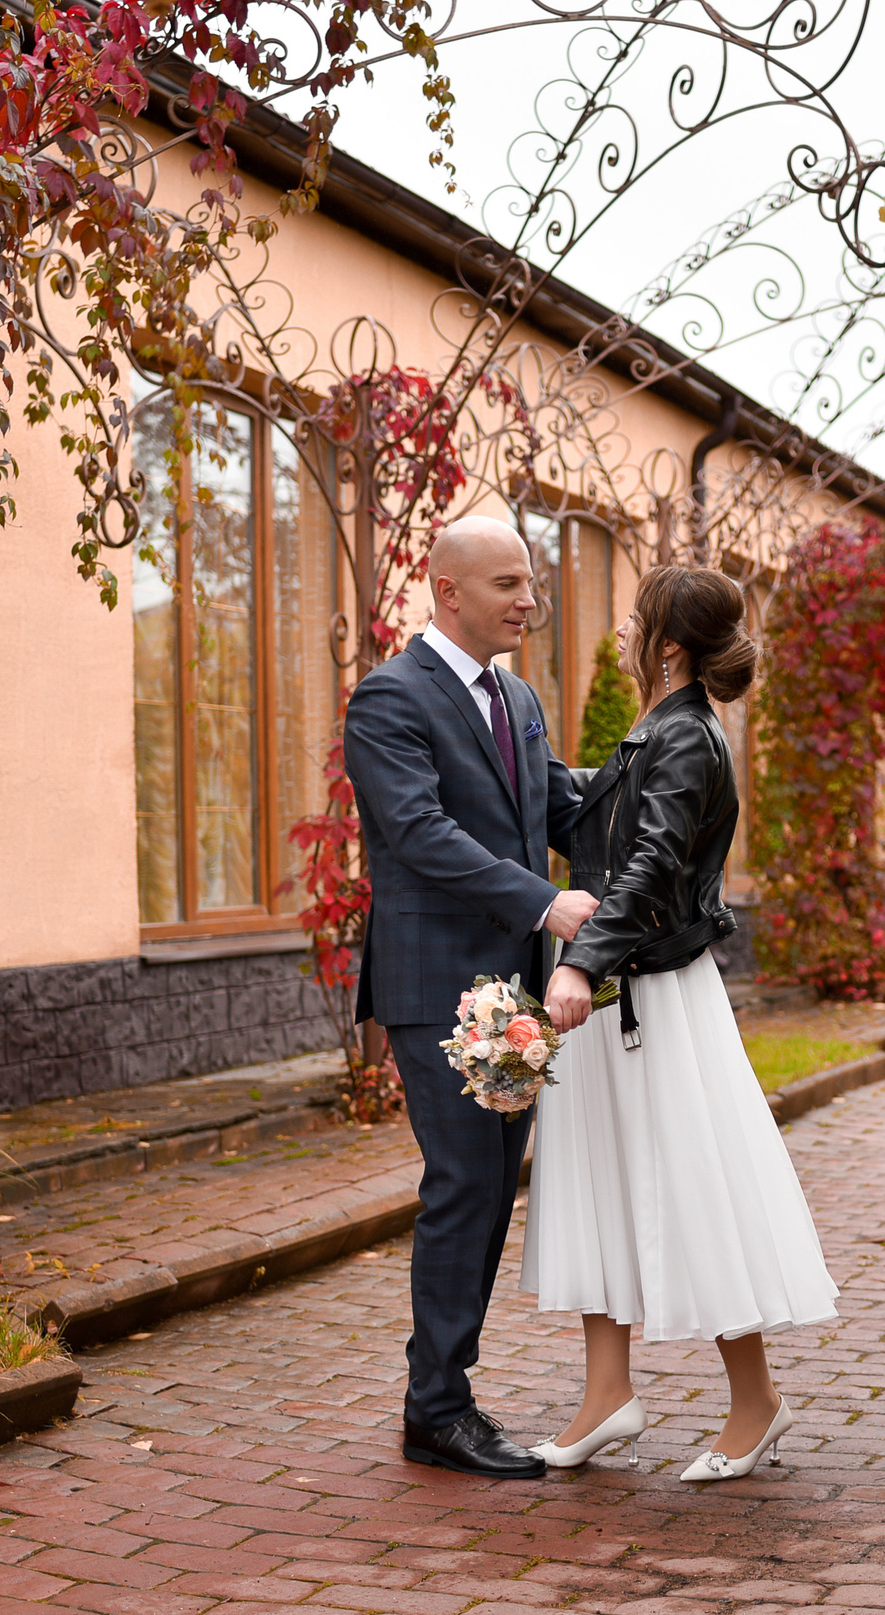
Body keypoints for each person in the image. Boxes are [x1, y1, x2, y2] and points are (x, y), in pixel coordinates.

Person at [525, 564, 839, 1482]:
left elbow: (656, 862)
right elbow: (588, 812)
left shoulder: (688, 736)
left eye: (636, 621)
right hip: (620, 990)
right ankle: (606, 1394)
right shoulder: (656, 732)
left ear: (668, 645)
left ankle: (757, 1402)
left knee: (693, 1184)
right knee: (598, 1179)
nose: (622, 632)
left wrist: (581, 959)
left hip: (652, 996)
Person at [344, 516, 598, 1480]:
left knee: (490, 1191)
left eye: (529, 581)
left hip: (515, 989)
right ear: (448, 592)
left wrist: (660, 774)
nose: (528, 598)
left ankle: (440, 1398)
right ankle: (437, 1410)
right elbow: (418, 831)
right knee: (465, 1185)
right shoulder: (388, 700)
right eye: (507, 584)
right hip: (436, 986)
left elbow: (554, 804)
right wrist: (546, 900)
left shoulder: (518, 696)